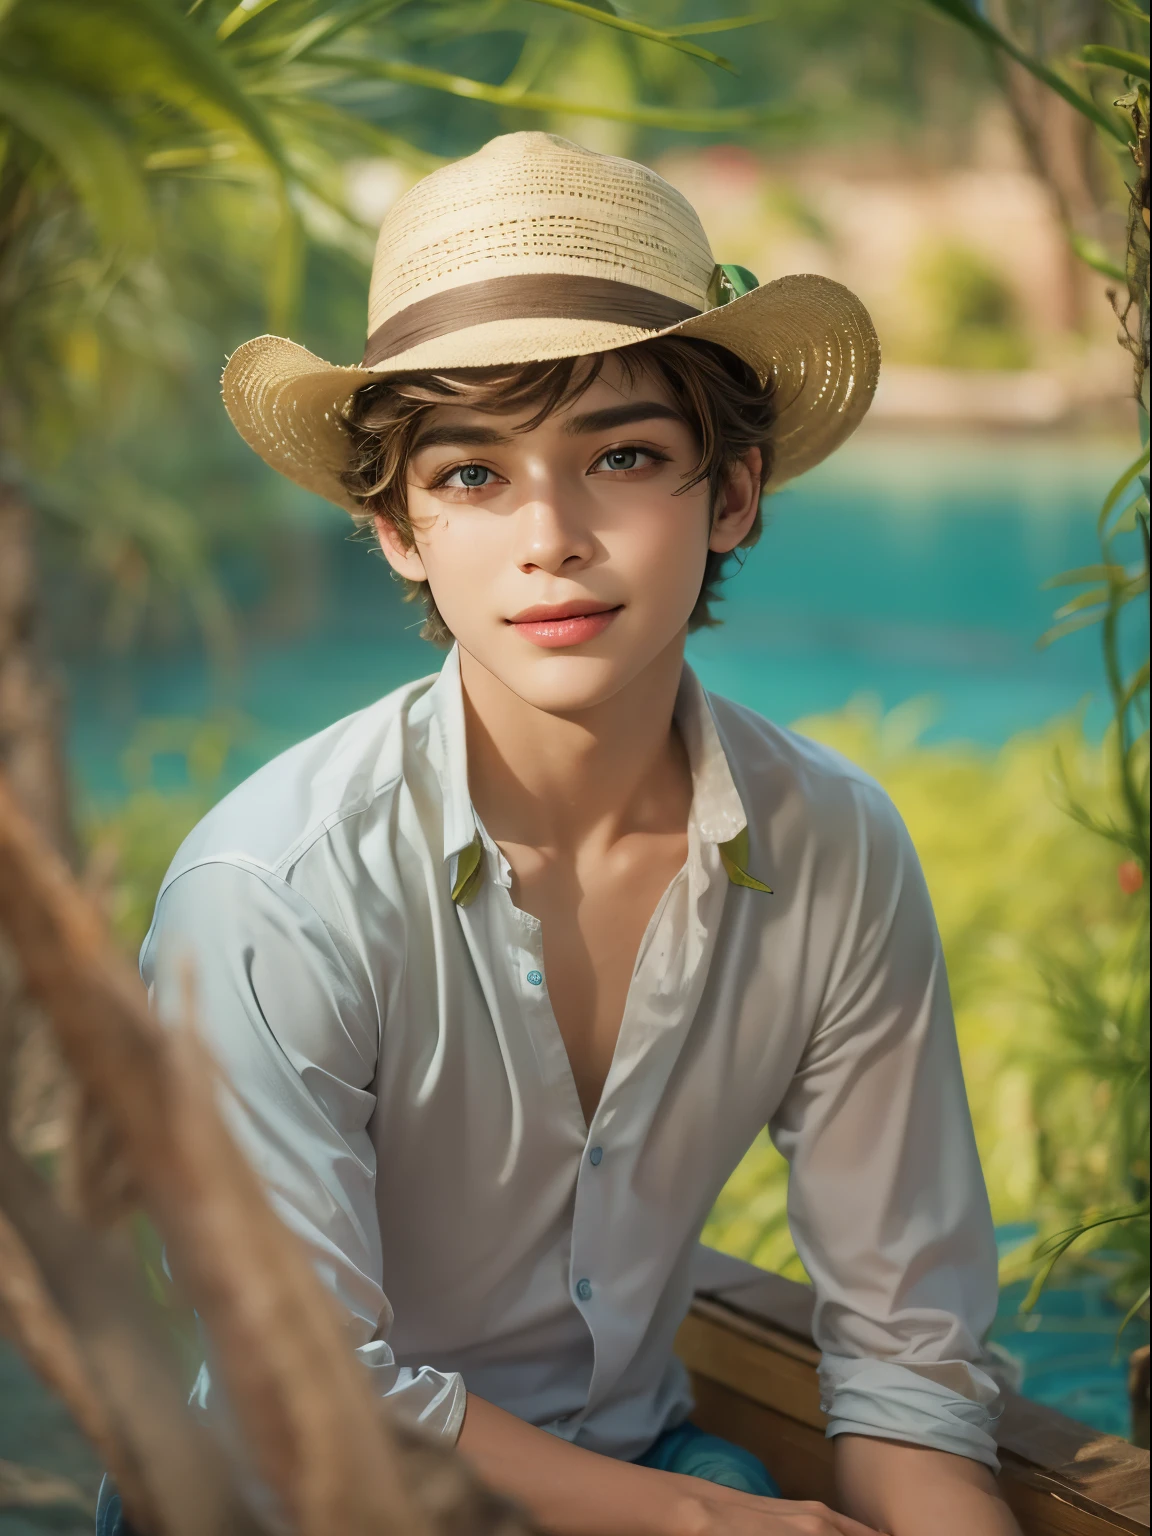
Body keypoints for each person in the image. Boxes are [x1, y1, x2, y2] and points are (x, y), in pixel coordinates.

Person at [127, 132, 1022, 1535]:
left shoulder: (834, 851)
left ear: (731, 494)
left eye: (621, 454)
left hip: (645, 1468)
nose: (552, 534)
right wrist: (717, 1526)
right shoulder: (274, 892)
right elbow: (295, 1397)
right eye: (474, 475)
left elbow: (910, 1373)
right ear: (397, 530)